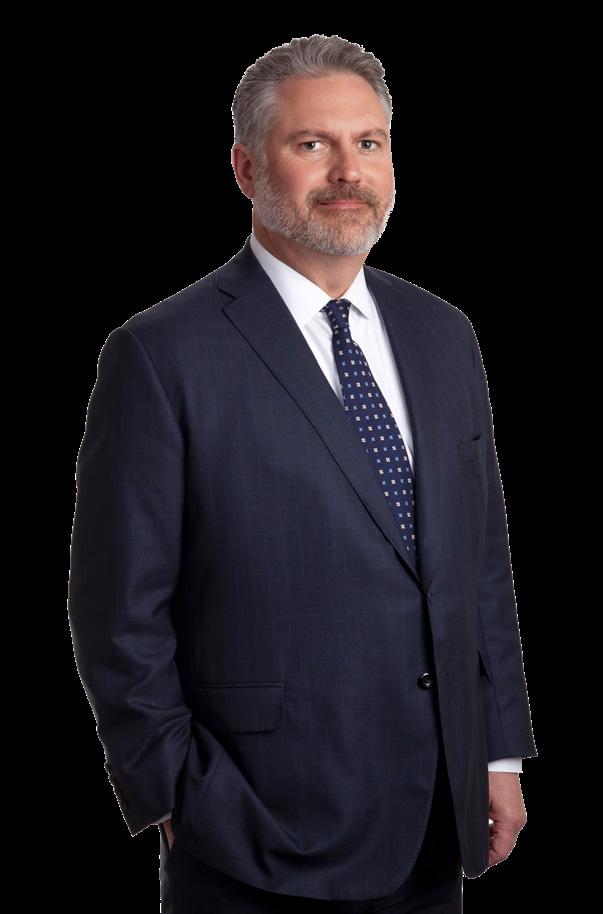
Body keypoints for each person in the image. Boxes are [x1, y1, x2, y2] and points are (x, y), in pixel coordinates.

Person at [67, 34, 537, 913]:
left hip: (434, 820)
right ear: (246, 168)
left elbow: (479, 564)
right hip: (252, 828)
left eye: (369, 143)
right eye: (311, 143)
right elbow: (117, 612)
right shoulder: (161, 355)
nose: (347, 172)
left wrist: (496, 751)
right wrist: (174, 795)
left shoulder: (443, 335)